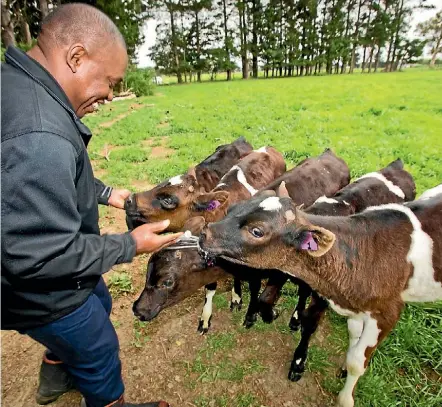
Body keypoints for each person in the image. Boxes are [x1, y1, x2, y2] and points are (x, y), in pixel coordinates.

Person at [1, 4, 182, 407]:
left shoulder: (17, 87)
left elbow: (40, 178)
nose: (111, 96)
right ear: (77, 57)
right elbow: (42, 256)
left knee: (97, 299)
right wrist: (130, 244)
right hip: (39, 291)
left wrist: (105, 193)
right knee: (98, 349)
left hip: (32, 281)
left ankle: (54, 375)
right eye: (110, 81)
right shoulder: (39, 132)